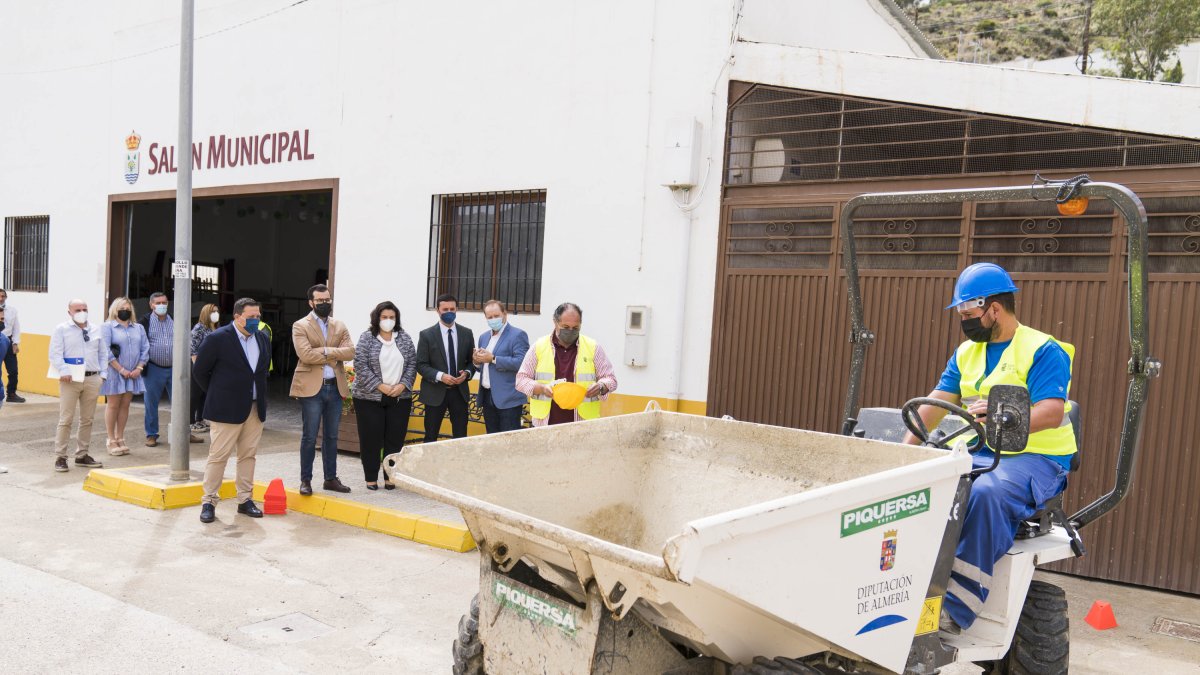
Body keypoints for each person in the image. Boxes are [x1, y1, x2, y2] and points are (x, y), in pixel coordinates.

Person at [902, 263, 1075, 635]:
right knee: (920, 486)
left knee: (983, 492)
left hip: (1037, 460)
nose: (964, 322)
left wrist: (1005, 415)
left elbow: (1051, 410)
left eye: (968, 315)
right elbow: (935, 403)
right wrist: (905, 454)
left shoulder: (1043, 350)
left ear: (993, 309)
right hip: (983, 451)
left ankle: (956, 608)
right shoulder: (967, 352)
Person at [193, 297, 272, 523]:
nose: (256, 321)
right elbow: (200, 371)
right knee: (219, 457)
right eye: (251, 317)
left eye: (258, 316)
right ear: (238, 317)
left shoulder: (263, 338)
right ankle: (208, 501)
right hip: (226, 409)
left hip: (255, 409)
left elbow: (262, 371)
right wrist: (218, 393)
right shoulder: (218, 338)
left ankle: (245, 500)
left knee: (248, 455)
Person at [290, 284, 354, 495]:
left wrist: (325, 350)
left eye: (327, 300)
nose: (325, 304)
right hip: (312, 390)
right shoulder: (300, 326)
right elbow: (306, 355)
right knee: (309, 437)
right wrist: (335, 353)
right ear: (311, 302)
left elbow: (351, 352)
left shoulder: (339, 325)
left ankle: (330, 478)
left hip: (334, 388)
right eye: (320, 301)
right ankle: (305, 480)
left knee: (332, 436)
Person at [515, 302, 617, 426]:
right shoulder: (539, 346)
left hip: (583, 425)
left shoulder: (593, 347)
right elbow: (521, 380)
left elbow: (611, 380)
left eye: (575, 328)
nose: (570, 331)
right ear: (555, 322)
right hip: (545, 425)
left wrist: (601, 386)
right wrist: (541, 388)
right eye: (565, 327)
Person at [352, 301, 417, 489]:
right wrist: (380, 386)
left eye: (391, 317)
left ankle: (390, 477)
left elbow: (412, 363)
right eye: (384, 317)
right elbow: (360, 365)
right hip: (369, 398)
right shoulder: (367, 338)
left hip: (399, 397)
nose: (388, 320)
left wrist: (403, 385)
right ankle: (371, 478)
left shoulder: (404, 338)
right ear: (377, 318)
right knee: (370, 438)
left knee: (394, 438)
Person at [48, 299, 107, 472]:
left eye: (84, 309)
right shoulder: (61, 330)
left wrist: (103, 375)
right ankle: (60, 456)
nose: (82, 312)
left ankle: (82, 455)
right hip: (70, 380)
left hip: (92, 379)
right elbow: (55, 354)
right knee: (66, 419)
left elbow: (103, 354)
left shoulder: (96, 329)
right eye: (78, 309)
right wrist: (64, 370)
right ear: (69, 312)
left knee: (87, 419)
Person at [138, 292, 200, 446]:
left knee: (181, 402)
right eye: (158, 303)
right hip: (153, 368)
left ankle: (185, 433)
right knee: (151, 403)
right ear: (151, 305)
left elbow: (186, 339)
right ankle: (151, 435)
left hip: (175, 368)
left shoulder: (175, 319)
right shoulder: (144, 321)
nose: (161, 306)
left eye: (164, 303)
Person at [415, 294, 476, 442]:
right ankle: (428, 465)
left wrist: (467, 373)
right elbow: (421, 364)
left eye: (452, 309)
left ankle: (458, 465)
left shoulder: (466, 333)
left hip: (459, 393)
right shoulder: (426, 335)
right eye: (445, 309)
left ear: (457, 309)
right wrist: (440, 376)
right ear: (438, 310)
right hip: (435, 394)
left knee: (461, 436)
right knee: (430, 435)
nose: (449, 312)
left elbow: (472, 362)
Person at [100, 297, 149, 456]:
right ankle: (111, 439)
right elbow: (104, 350)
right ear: (115, 309)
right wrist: (120, 369)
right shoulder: (107, 327)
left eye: (128, 308)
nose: (125, 310)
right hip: (115, 372)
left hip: (133, 373)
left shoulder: (138, 328)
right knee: (113, 404)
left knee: (125, 405)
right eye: (122, 307)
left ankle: (120, 437)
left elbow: (145, 348)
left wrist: (139, 367)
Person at [472, 299, 530, 433]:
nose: (493, 319)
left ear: (505, 314)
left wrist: (493, 358)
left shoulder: (517, 335)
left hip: (508, 398)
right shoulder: (484, 337)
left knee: (508, 442)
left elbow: (521, 363)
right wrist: (476, 361)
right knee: (492, 439)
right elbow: (484, 368)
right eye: (490, 317)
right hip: (487, 396)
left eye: (496, 316)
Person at [190, 303, 220, 433]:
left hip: (211, 367)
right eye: (213, 312)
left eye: (217, 311)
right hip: (199, 367)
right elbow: (193, 349)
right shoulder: (199, 328)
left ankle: (200, 419)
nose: (216, 314)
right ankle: (190, 421)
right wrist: (198, 368)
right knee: (195, 395)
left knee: (204, 394)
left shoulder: (216, 328)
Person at [0, 288, 23, 402]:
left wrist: (15, 343)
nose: (1, 298)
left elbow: (16, 327)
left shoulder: (12, 310)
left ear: (6, 297)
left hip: (8, 342)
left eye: (3, 296)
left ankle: (11, 394)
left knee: (13, 370)